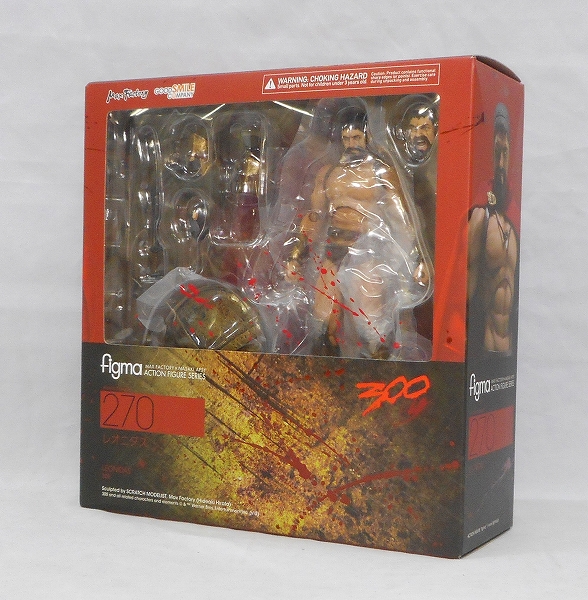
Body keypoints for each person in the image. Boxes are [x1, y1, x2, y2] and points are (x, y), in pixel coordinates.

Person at [285, 106, 431, 359]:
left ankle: (381, 372)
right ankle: (327, 375)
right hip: (333, 252)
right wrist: (297, 255)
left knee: (373, 329)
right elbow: (314, 217)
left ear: (367, 137)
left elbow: (402, 217)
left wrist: (418, 259)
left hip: (368, 255)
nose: (351, 144)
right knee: (322, 325)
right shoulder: (329, 173)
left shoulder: (381, 172)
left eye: (356, 138)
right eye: (346, 139)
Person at [468, 103, 519, 356]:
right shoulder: (481, 218)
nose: (500, 163)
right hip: (483, 349)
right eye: (496, 152)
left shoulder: (513, 224)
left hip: (509, 351)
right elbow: (464, 296)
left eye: (505, 153)